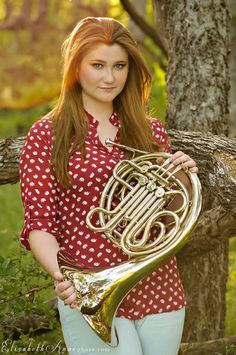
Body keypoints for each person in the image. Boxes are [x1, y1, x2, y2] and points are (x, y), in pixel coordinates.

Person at [19, 17, 198, 355]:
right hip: (89, 288)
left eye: (119, 66)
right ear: (76, 67)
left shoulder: (150, 130)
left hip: (159, 286)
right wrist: (65, 278)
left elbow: (170, 215)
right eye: (97, 65)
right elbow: (39, 225)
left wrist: (181, 177)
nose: (110, 77)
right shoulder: (48, 135)